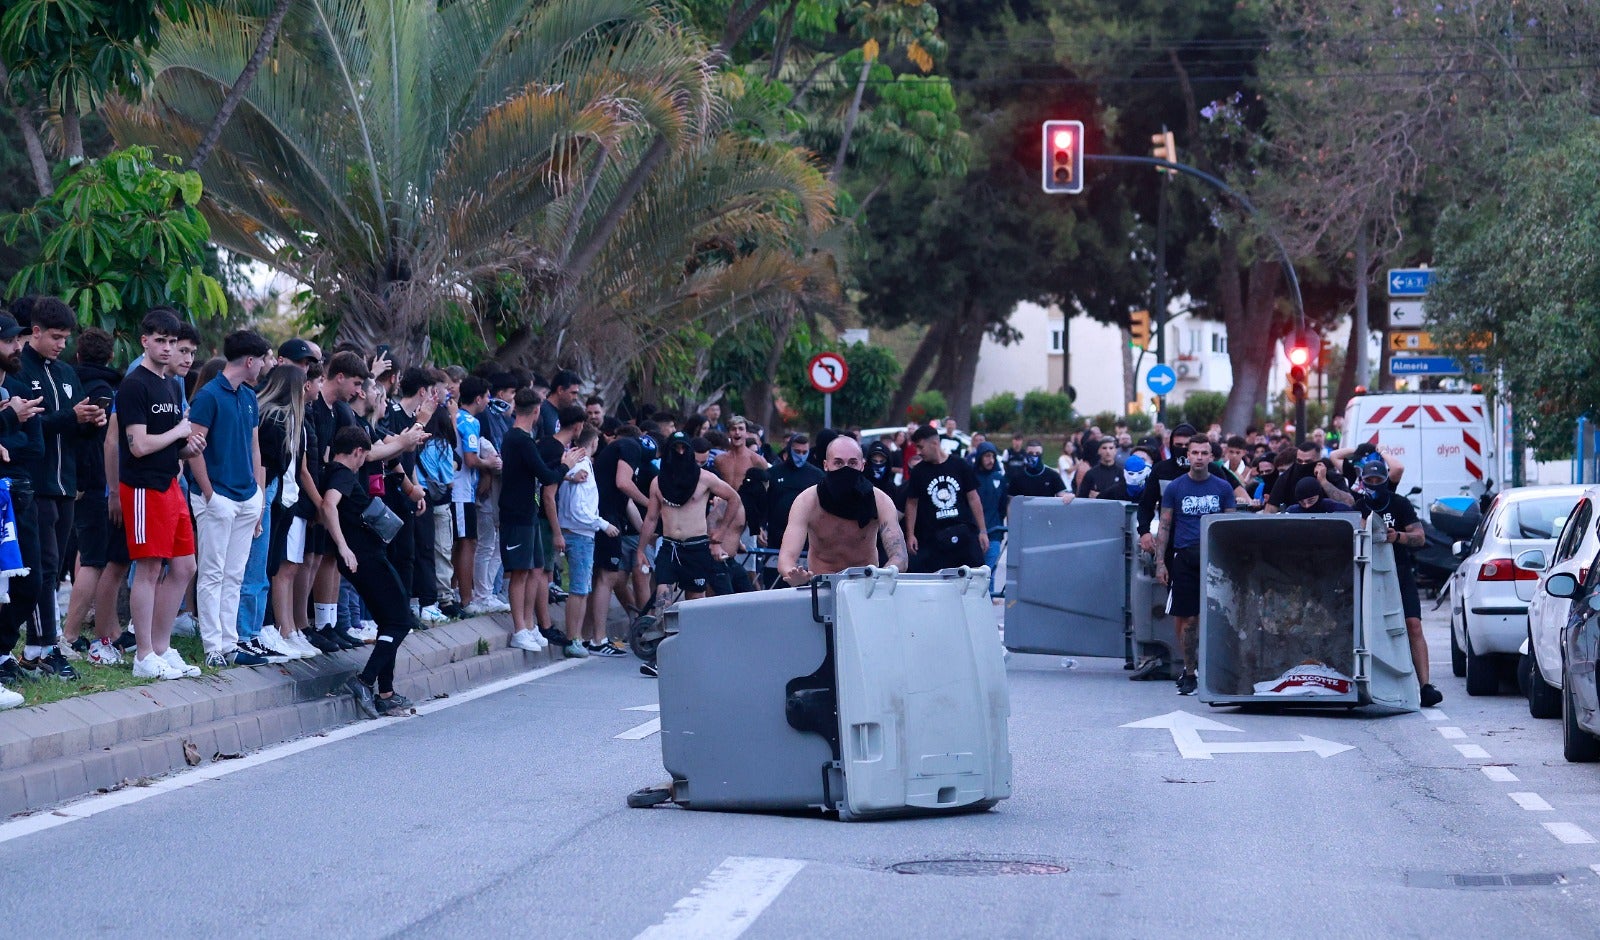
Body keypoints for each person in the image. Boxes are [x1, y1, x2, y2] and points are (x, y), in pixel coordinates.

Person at [118, 308, 204, 680]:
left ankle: (162, 647)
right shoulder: (135, 384)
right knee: (150, 567)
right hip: (142, 486)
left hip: (170, 483)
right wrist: (177, 433)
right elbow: (137, 446)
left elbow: (167, 444)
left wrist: (188, 448)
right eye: (161, 341)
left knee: (185, 566)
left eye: (173, 342)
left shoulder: (171, 384)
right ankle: (143, 655)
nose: (168, 348)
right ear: (145, 341)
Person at [18, 298, 101, 648]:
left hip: (66, 483)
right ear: (35, 332)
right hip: (35, 484)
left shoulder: (67, 373)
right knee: (45, 565)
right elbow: (29, 426)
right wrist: (72, 418)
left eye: (66, 338)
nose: (62, 344)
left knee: (55, 569)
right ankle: (43, 644)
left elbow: (77, 424)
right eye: (55, 336)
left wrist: (93, 422)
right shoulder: (20, 370)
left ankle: (45, 643)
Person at [320, 426, 419, 718]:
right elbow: (329, 505)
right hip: (364, 558)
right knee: (401, 622)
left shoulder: (337, 470)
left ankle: (386, 693)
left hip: (368, 555)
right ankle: (364, 681)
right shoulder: (342, 473)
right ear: (359, 452)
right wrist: (343, 546)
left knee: (390, 623)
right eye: (365, 456)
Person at [187, 330, 272, 667]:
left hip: (245, 498)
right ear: (249, 361)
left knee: (234, 574)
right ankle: (213, 647)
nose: (266, 365)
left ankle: (230, 643)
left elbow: (254, 447)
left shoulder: (248, 396)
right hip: (216, 498)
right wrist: (209, 494)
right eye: (263, 359)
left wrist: (258, 498)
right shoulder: (208, 396)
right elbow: (194, 448)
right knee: (212, 572)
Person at [0, 313, 60, 692]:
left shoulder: (18, 391)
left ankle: (3, 652)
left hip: (23, 495)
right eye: (9, 341)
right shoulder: (12, 406)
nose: (16, 347)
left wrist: (8, 435)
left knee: (32, 581)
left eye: (17, 340)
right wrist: (8, 419)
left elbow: (35, 447)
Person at [1356, 456, 1442, 707]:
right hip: (1368, 573)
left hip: (1400, 570)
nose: (1374, 484)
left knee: (1413, 624)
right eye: (1369, 480)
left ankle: (1425, 685)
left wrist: (1398, 537)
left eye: (1378, 480)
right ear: (1362, 482)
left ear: (1386, 480)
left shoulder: (1400, 504)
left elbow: (1420, 536)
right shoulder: (1358, 505)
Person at [501, 388, 582, 653]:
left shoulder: (524, 438)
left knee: (533, 569)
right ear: (536, 411)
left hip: (528, 512)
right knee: (520, 572)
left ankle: (530, 625)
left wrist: (563, 472)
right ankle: (520, 628)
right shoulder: (519, 440)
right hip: (515, 513)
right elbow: (547, 475)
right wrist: (566, 466)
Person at [1154, 437, 1236, 696]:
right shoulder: (1175, 488)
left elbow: (1230, 525)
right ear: (1187, 455)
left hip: (1215, 558)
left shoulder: (1223, 487)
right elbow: (1165, 527)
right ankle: (1189, 672)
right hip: (1184, 557)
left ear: (1212, 457)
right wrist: (1159, 562)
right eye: (1195, 453)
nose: (1199, 457)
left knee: (1219, 617)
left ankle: (1216, 669)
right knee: (1187, 619)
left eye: (1204, 453)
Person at [61, 328, 121, 664]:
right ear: (111, 356)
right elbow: (93, 443)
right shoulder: (106, 390)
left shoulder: (70, 383)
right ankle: (69, 635)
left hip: (80, 482)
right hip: (96, 484)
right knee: (95, 559)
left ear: (79, 355)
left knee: (90, 553)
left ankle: (107, 631)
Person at [778, 435, 907, 584]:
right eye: (838, 463)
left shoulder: (880, 501)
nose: (845, 469)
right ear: (826, 465)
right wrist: (794, 575)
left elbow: (900, 557)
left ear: (862, 465)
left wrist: (883, 576)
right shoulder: (807, 501)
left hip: (865, 585)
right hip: (823, 586)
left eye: (852, 463)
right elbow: (786, 557)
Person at [634, 433, 743, 602]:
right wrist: (641, 549)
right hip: (669, 545)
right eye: (675, 448)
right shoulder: (658, 482)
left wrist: (721, 532)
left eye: (684, 448)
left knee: (695, 599)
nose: (680, 452)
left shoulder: (704, 478)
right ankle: (665, 628)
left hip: (696, 547)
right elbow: (651, 518)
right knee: (663, 597)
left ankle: (693, 629)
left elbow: (734, 498)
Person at [557, 423, 622, 657]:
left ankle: (578, 637)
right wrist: (603, 524)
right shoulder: (581, 467)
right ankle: (574, 638)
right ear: (594, 442)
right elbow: (579, 509)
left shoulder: (575, 467)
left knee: (582, 588)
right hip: (580, 534)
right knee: (579, 589)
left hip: (578, 532)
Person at [904, 425, 987, 572]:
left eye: (921, 447)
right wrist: (910, 535)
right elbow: (912, 503)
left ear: (934, 443)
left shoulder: (960, 465)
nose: (918, 452)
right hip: (934, 539)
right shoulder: (919, 472)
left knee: (974, 579)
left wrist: (982, 531)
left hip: (963, 534)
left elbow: (974, 498)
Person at [760, 433, 823, 587]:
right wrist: (760, 526)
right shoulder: (774, 473)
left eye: (804, 452)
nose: (800, 456)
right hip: (775, 540)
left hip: (808, 541)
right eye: (797, 452)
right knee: (774, 587)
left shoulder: (817, 475)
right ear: (789, 450)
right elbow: (764, 503)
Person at [1263, 440, 1355, 513]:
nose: (1303, 465)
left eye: (1307, 462)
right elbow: (1270, 510)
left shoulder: (1331, 476)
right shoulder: (1286, 478)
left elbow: (1349, 503)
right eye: (1299, 461)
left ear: (1319, 460)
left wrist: (1324, 482)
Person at [972, 442, 1008, 594]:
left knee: (989, 572)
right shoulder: (972, 478)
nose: (990, 460)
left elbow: (1003, 505)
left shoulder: (999, 478)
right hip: (974, 533)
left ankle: (989, 604)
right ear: (980, 457)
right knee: (974, 574)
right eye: (987, 456)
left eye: (993, 456)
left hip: (994, 532)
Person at [1007, 439, 1074, 501]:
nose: (1034, 456)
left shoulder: (1052, 475)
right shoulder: (1017, 477)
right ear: (1026, 454)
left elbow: (1062, 495)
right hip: (1025, 513)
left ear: (1042, 454)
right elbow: (1011, 502)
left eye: (1037, 453)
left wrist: (1069, 496)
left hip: (1046, 512)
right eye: (1030, 453)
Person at [1285, 476, 1362, 514]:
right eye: (1302, 502)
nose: (1307, 506)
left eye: (1311, 500)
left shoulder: (1337, 509)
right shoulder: (1292, 512)